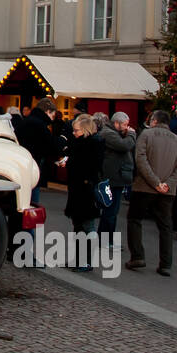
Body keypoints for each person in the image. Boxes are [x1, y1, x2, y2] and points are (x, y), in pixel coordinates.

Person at [129, 109, 177, 276]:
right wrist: (168, 184)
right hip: (167, 191)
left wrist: (155, 182)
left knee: (135, 219)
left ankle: (138, 256)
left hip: (144, 187)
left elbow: (140, 159)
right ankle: (166, 264)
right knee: (165, 226)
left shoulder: (146, 135)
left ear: (154, 121)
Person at [64, 114, 105, 272]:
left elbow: (90, 168)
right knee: (79, 225)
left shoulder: (91, 145)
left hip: (85, 190)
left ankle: (86, 260)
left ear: (85, 130)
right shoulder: (83, 143)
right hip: (79, 189)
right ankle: (80, 259)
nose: (74, 133)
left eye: (76, 130)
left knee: (87, 226)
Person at [97, 110, 136, 237]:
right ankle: (106, 239)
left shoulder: (111, 133)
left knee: (111, 210)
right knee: (111, 210)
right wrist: (131, 134)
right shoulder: (109, 134)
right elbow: (124, 146)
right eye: (125, 124)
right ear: (117, 123)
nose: (127, 127)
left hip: (115, 176)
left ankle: (105, 237)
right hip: (113, 177)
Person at [18, 97, 61, 207]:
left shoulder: (27, 120)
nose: (52, 119)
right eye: (52, 115)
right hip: (33, 164)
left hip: (21, 162)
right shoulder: (40, 125)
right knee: (32, 199)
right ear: (47, 111)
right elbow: (50, 146)